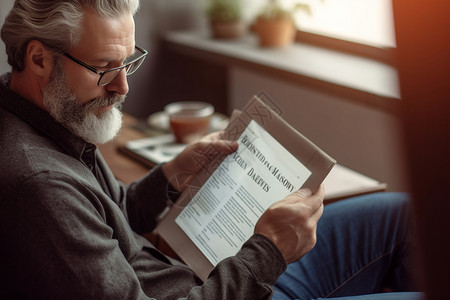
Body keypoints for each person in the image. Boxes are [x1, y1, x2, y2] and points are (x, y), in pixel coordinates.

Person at [0, 0, 422, 299]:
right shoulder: (38, 185)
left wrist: (171, 174)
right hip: (234, 286)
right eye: (106, 69)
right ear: (39, 58)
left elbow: (110, 214)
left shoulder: (51, 121)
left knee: (405, 214)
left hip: (215, 277)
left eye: (128, 63)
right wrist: (269, 250)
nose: (122, 86)